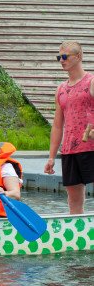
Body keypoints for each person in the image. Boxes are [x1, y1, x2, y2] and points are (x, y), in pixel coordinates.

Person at [44, 41, 94, 214]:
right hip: (70, 150)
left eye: (65, 56)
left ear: (78, 57)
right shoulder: (61, 89)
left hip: (91, 146)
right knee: (73, 201)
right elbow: (58, 126)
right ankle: (79, 235)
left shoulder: (91, 81)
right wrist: (51, 157)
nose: (61, 60)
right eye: (59, 57)